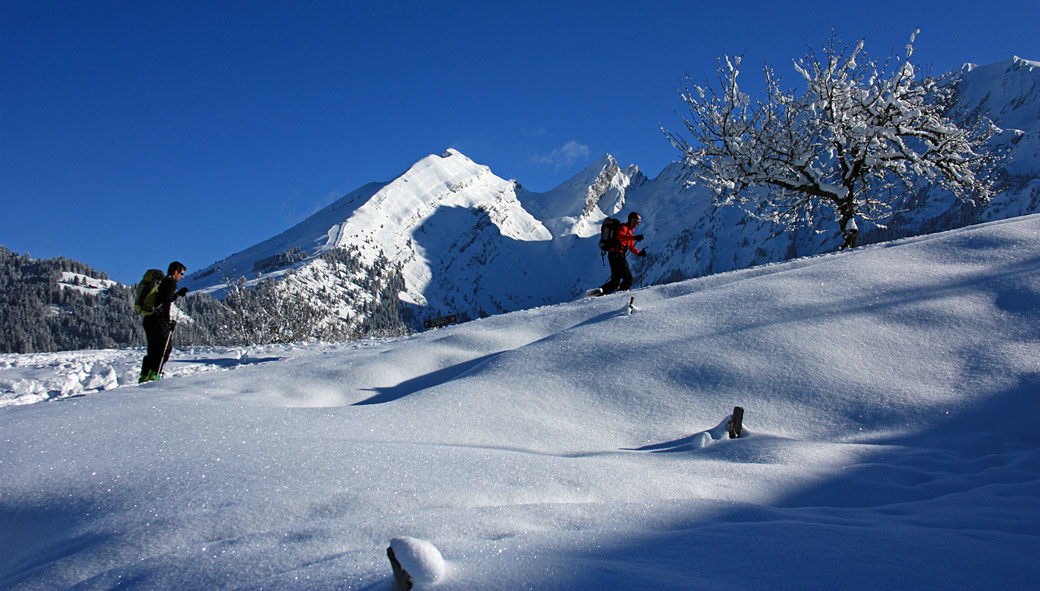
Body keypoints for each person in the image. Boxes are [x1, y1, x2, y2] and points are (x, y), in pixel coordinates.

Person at [139, 261, 189, 383]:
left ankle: (144, 376)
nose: (181, 276)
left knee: (152, 349)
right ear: (175, 272)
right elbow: (165, 303)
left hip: (149, 319)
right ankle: (154, 376)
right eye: (181, 273)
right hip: (159, 320)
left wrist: (176, 295)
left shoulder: (162, 282)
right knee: (164, 349)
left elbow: (161, 300)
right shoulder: (170, 283)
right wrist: (167, 322)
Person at [588, 212, 647, 297]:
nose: (637, 223)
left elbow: (630, 246)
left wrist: (639, 253)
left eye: (638, 222)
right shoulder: (623, 228)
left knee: (615, 282)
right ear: (631, 220)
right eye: (636, 221)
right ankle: (619, 298)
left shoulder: (629, 232)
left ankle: (594, 295)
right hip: (616, 254)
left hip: (614, 255)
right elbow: (620, 236)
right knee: (628, 278)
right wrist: (634, 238)